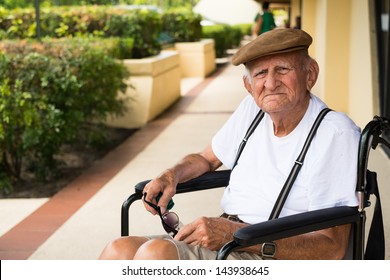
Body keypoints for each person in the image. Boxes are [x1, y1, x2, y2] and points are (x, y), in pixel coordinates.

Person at [99, 28, 360, 260]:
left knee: (156, 255)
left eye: (282, 69)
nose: (270, 83)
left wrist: (233, 234)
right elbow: (207, 159)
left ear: (310, 74)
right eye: (260, 73)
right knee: (118, 250)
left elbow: (331, 248)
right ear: (248, 85)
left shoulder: (335, 133)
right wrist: (172, 174)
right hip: (230, 239)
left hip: (274, 253)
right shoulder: (252, 110)